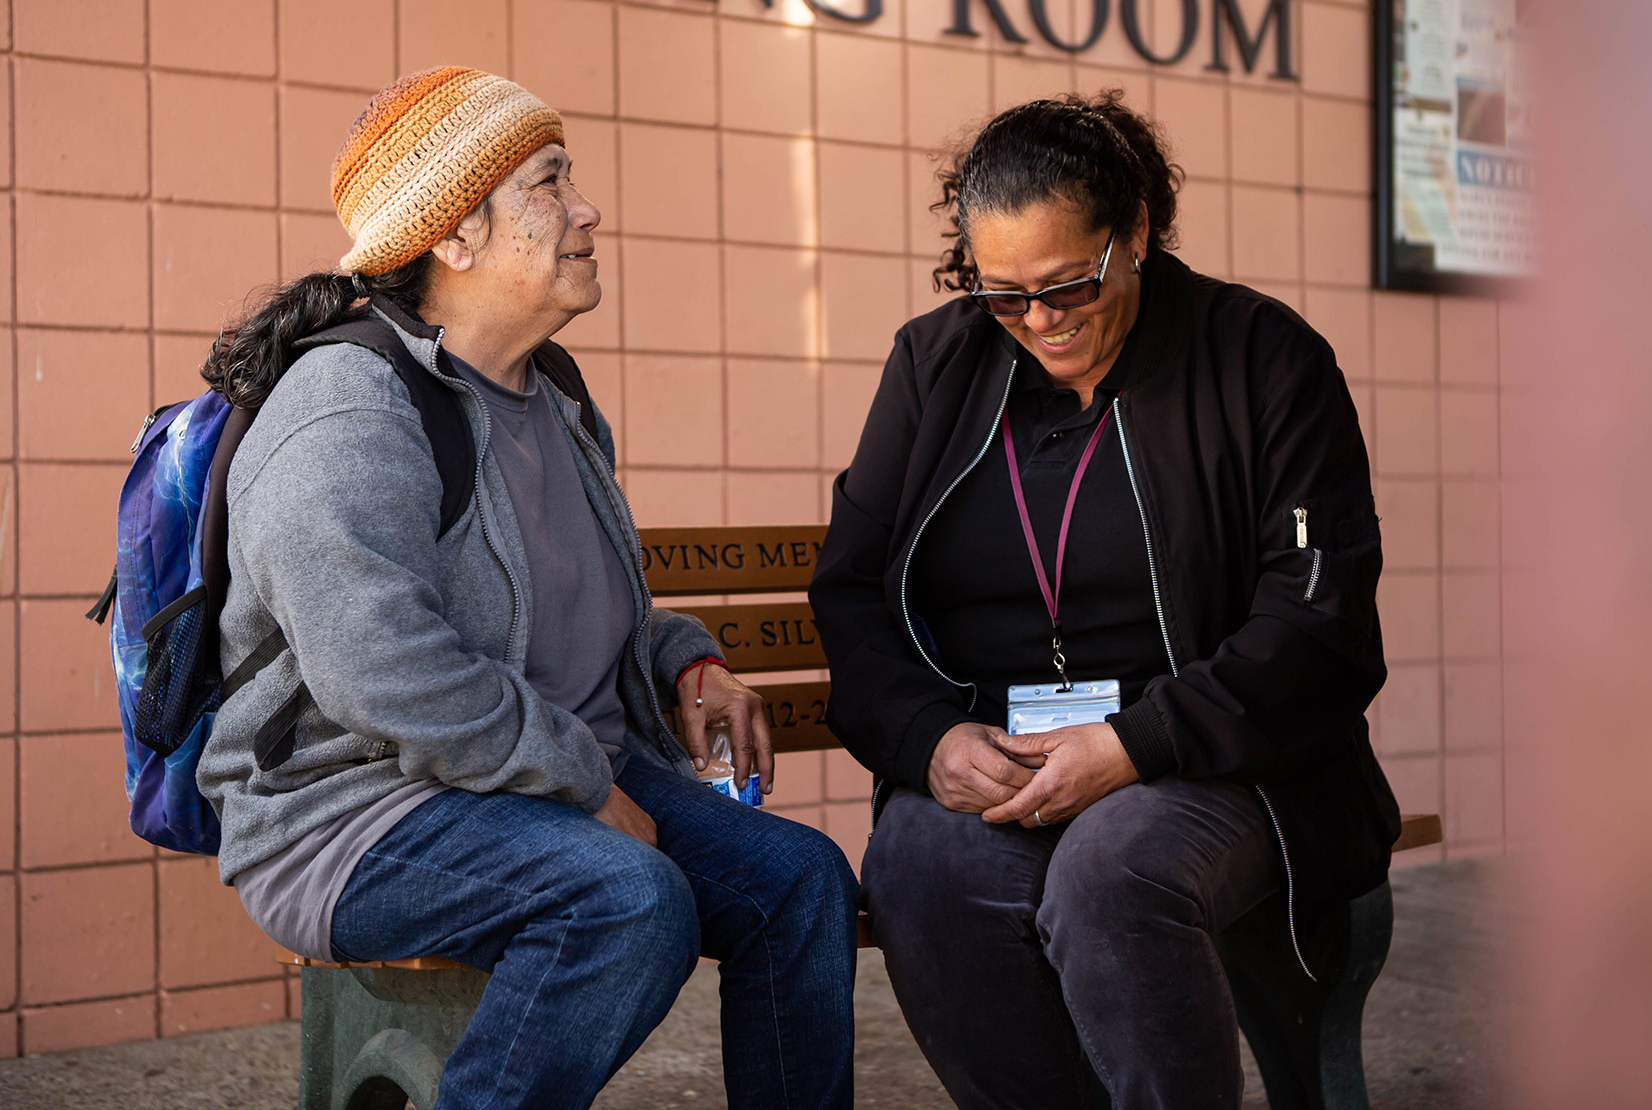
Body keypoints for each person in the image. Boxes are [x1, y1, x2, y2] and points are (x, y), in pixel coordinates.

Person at [195, 67, 857, 1110]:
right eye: (551, 182)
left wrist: (687, 659)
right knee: (627, 902)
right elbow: (384, 671)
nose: (587, 209)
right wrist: (588, 787)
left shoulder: (555, 393)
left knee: (801, 883)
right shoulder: (345, 407)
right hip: (357, 813)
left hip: (543, 781)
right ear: (454, 237)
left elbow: (587, 607)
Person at [808, 91, 1400, 1109]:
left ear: (1133, 234)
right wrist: (927, 740)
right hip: (995, 752)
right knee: (918, 864)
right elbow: (854, 589)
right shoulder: (934, 362)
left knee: (1112, 873)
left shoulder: (1263, 359)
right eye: (1003, 294)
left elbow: (1319, 622)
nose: (1038, 322)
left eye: (1068, 286)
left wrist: (1137, 743)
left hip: (1210, 759)